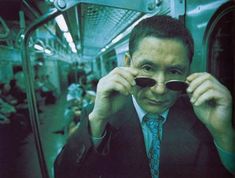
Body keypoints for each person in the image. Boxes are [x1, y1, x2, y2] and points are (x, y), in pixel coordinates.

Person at [54, 15, 235, 178]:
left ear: (188, 72)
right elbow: (64, 173)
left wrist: (223, 133)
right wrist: (98, 120)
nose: (159, 89)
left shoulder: (204, 116)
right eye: (147, 68)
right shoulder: (99, 113)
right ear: (127, 63)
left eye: (174, 71)